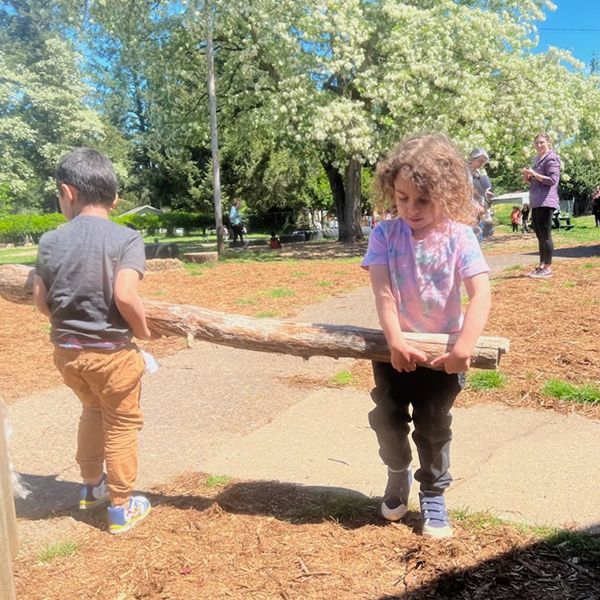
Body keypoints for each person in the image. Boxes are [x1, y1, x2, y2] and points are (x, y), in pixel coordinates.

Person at [362, 134, 491, 539]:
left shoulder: (459, 236)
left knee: (433, 427)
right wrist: (395, 339)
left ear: (446, 193)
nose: (411, 209)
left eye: (422, 200)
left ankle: (433, 493)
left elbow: (481, 293)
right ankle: (397, 472)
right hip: (394, 351)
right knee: (387, 418)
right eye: (402, 198)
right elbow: (383, 291)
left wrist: (463, 349)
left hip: (441, 357)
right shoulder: (385, 235)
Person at [33, 148, 153, 535]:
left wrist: (67, 325)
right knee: (120, 424)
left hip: (67, 354)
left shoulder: (50, 240)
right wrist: (144, 332)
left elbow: (41, 299)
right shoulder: (126, 238)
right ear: (114, 200)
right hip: (111, 356)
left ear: (67, 192)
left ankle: (90, 488)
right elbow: (125, 295)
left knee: (92, 411)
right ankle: (120, 507)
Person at [521, 133, 561, 278]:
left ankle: (548, 267)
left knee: (545, 234)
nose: (539, 145)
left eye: (542, 142)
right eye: (536, 143)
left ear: (548, 142)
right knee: (539, 234)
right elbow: (536, 181)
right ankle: (541, 265)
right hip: (536, 201)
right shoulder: (537, 160)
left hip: (546, 201)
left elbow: (552, 180)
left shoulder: (551, 158)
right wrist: (528, 177)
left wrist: (534, 174)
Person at [467, 148, 494, 241]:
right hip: (468, 212)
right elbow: (465, 191)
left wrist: (486, 192)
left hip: (479, 211)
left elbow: (480, 189)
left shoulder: (478, 173)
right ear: (472, 159)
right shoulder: (465, 172)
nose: (481, 164)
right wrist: (474, 205)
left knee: (478, 237)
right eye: (480, 161)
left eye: (483, 162)